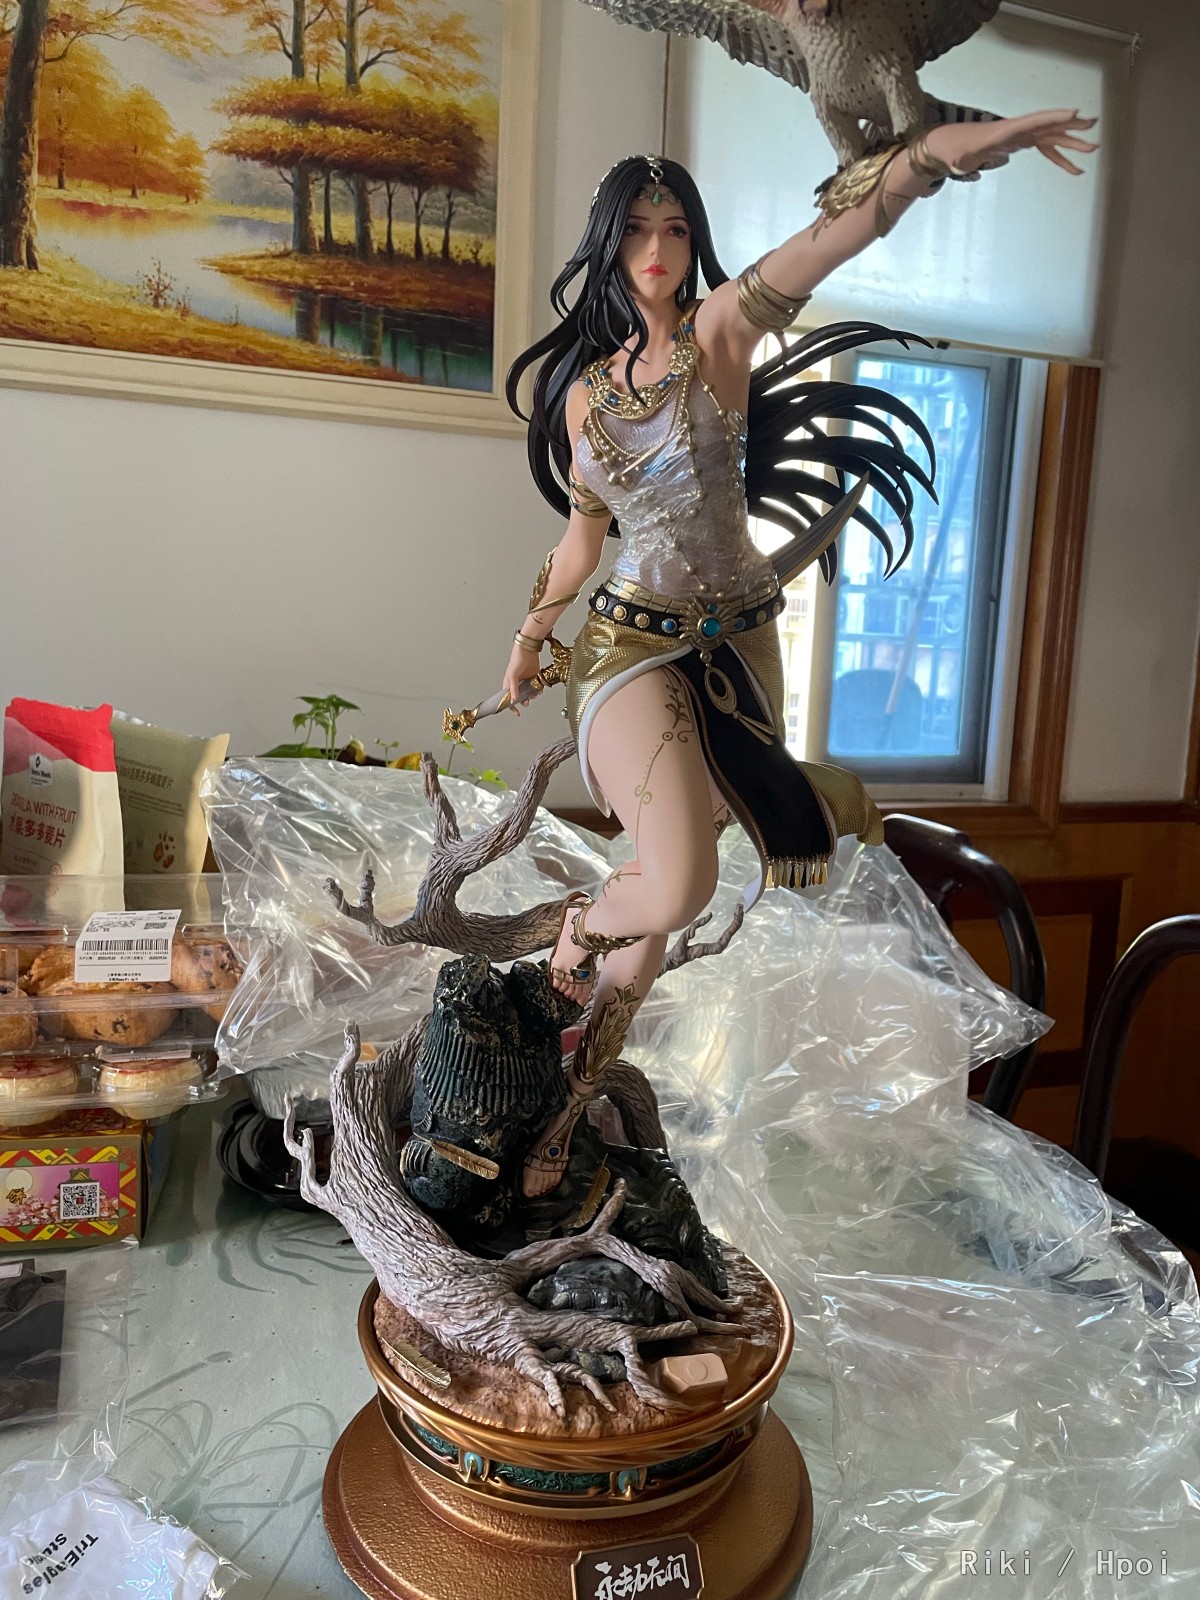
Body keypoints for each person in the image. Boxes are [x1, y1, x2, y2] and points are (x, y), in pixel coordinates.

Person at [502, 113, 1097, 1195]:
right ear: (606, 243)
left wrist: (930, 160)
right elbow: (583, 542)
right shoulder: (587, 394)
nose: (657, 248)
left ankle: (567, 1099)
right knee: (677, 882)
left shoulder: (722, 332)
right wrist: (529, 638)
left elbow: (829, 239)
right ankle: (578, 933)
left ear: (694, 242)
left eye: (676, 229)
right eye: (636, 229)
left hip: (736, 651)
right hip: (626, 644)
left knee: (663, 893)